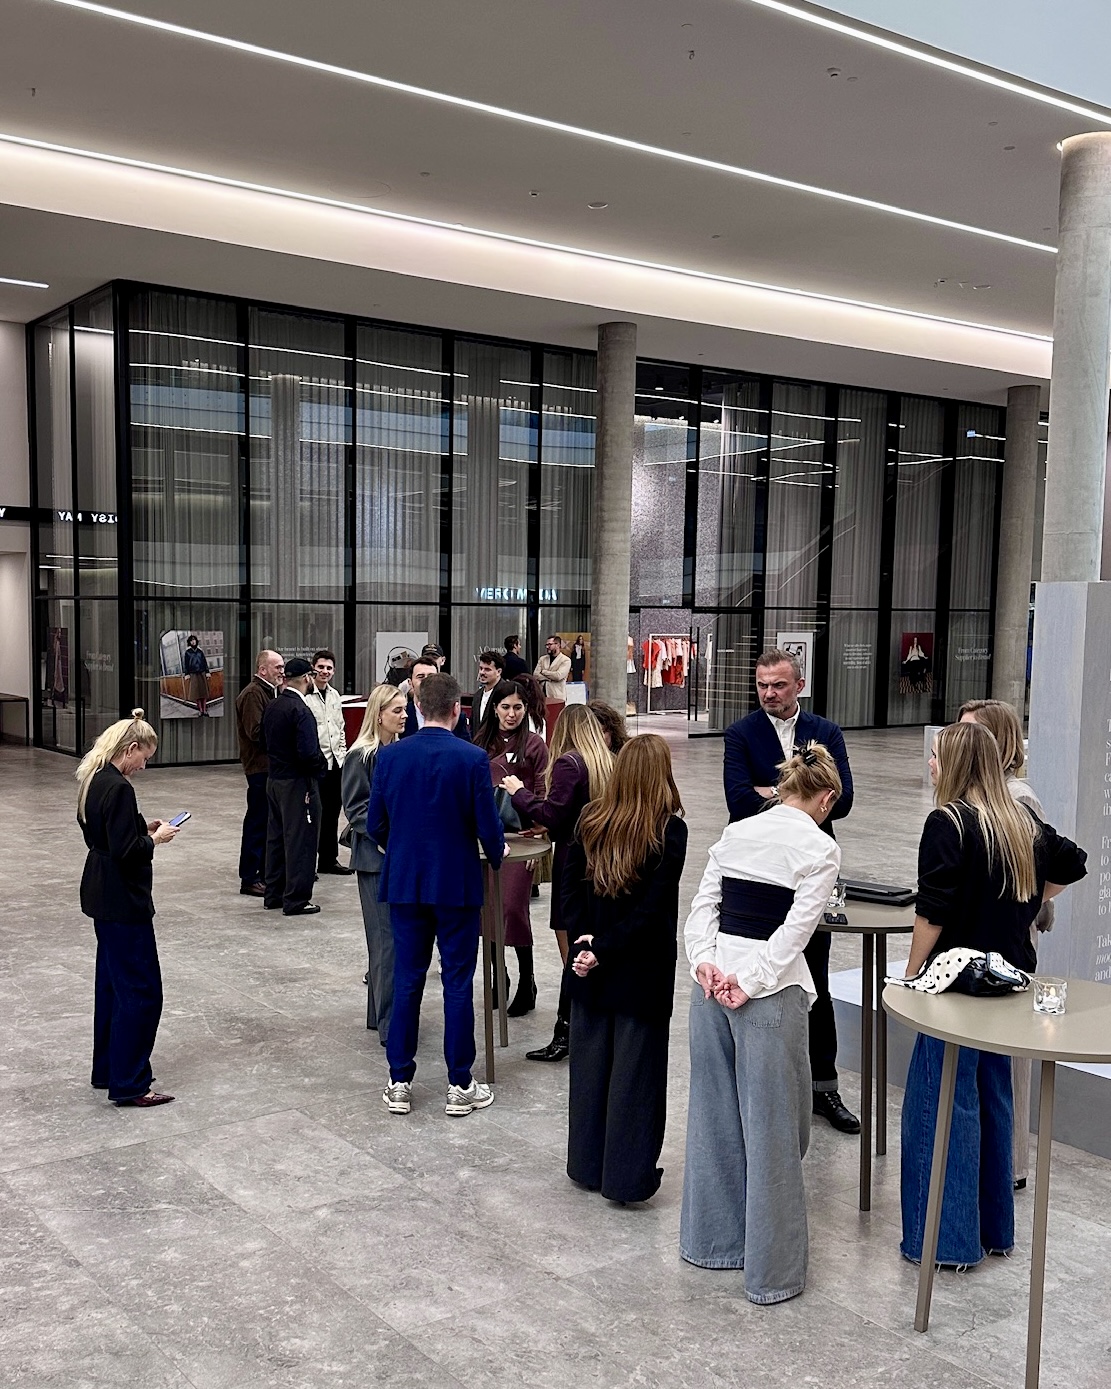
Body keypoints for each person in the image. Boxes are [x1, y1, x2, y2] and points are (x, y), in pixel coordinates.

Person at [900, 721, 1086, 1269]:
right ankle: (993, 1230)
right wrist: (1028, 900)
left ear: (956, 764)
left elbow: (933, 911)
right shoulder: (1019, 821)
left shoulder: (948, 822)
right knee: (993, 1101)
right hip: (1009, 983)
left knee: (941, 1108)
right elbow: (1073, 862)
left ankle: (945, 1242)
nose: (931, 763)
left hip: (956, 986)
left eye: (937, 755)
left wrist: (911, 973)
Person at [680, 743, 844, 1305]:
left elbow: (702, 909)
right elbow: (795, 933)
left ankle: (711, 1242)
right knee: (775, 1130)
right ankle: (772, 1275)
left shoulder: (736, 832)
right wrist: (748, 981)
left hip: (710, 987)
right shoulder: (821, 849)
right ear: (825, 799)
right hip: (767, 996)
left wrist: (705, 964)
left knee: (712, 1118)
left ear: (782, 789)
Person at [722, 647, 858, 1135]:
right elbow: (737, 800)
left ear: (799, 685)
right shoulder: (741, 733)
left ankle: (824, 1086)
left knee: (814, 976)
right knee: (754, 971)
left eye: (778, 685)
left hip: (810, 868)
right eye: (762, 685)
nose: (769, 694)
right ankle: (762, 1083)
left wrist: (771, 792)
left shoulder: (826, 732)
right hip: (757, 874)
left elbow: (843, 801)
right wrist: (801, 796)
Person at [368, 673, 506, 1117]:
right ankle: (459, 1084)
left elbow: (374, 825)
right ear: (457, 710)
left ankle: (399, 1082)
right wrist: (497, 852)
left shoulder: (390, 757)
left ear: (417, 708)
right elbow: (487, 825)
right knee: (457, 982)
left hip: (405, 883)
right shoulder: (472, 758)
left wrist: (403, 849)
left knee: (407, 980)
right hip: (456, 883)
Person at [564, 735, 687, 1202]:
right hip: (640, 970)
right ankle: (627, 1177)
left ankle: (586, 1164)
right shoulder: (669, 832)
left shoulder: (589, 820)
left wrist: (585, 943)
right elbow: (652, 912)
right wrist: (605, 948)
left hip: (588, 965)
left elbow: (568, 892)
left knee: (590, 1072)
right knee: (636, 1078)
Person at [958, 698, 1052, 1191]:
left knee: (1010, 1062)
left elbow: (1048, 868)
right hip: (982, 942)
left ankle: (1011, 1164)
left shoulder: (1018, 797)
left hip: (1009, 943)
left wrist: (1025, 905)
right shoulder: (980, 795)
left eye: (973, 732)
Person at [76, 709, 181, 1107]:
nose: (143, 766)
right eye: (144, 757)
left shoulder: (94, 778)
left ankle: (108, 1069)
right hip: (123, 898)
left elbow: (104, 834)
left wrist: (141, 828)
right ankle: (131, 1082)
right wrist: (156, 840)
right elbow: (127, 851)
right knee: (141, 990)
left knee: (111, 986)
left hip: (100, 890)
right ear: (130, 748)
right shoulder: (120, 787)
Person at [504, 703, 613, 1061]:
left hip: (573, 867)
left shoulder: (569, 763)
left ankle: (564, 1035)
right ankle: (586, 1030)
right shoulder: (605, 763)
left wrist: (519, 792)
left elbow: (554, 812)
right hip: (600, 865)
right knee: (590, 949)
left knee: (573, 954)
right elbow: (575, 814)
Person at [473, 679, 549, 1015]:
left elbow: (544, 793)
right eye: (505, 707)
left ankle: (527, 979)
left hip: (522, 839)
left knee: (513, 909)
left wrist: (539, 839)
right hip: (485, 841)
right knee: (487, 910)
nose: (511, 713)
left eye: (518, 707)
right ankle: (498, 976)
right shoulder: (480, 743)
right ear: (495, 708)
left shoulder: (534, 745)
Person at [342, 684, 408, 1040]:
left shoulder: (393, 751)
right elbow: (357, 810)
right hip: (375, 861)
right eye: (397, 710)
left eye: (405, 709)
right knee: (386, 943)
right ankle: (389, 1025)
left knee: (390, 942)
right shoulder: (362, 755)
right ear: (378, 714)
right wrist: (389, 839)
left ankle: (380, 1016)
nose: (404, 715)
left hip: (394, 858)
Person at [260, 658, 327, 916]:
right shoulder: (301, 710)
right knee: (301, 840)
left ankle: (274, 894)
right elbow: (308, 753)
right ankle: (297, 899)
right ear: (307, 678)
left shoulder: (273, 705)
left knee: (276, 839)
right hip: (298, 783)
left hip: (274, 779)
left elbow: (262, 741)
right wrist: (320, 770)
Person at [234, 649, 284, 896]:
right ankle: (250, 876)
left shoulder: (270, 692)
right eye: (277, 667)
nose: (282, 672)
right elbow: (255, 732)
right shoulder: (254, 694)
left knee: (266, 822)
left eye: (282, 667)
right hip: (259, 767)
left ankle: (263, 873)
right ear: (263, 670)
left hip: (268, 766)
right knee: (257, 821)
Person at [307, 648, 353, 876]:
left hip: (336, 763)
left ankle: (328, 860)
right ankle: (308, 864)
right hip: (316, 763)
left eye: (329, 668)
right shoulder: (306, 696)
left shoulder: (334, 695)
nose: (325, 671)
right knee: (313, 816)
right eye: (321, 667)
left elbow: (340, 727)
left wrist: (342, 753)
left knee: (332, 813)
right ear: (313, 668)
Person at [402, 657, 471, 740]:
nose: (426, 681)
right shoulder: (402, 715)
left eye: (431, 677)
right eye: (421, 677)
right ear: (410, 683)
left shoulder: (455, 715)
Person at [472, 649, 506, 729]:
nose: (482, 672)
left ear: (498, 672)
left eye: (487, 669)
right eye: (481, 668)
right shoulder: (477, 696)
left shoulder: (506, 693)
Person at [534, 634, 572, 703]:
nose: (547, 647)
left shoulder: (565, 660)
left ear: (558, 645)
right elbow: (536, 675)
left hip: (557, 696)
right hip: (542, 696)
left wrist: (544, 672)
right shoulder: (542, 659)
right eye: (546, 645)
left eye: (550, 644)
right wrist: (550, 678)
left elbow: (558, 676)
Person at [182, 634, 211, 717]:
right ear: (189, 642)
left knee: (203, 692)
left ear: (196, 641)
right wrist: (187, 674)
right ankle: (200, 710)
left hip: (202, 673)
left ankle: (204, 710)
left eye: (194, 640)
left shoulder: (200, 651)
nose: (193, 641)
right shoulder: (188, 652)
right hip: (193, 674)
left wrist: (207, 672)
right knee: (196, 693)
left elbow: (204, 662)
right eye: (191, 640)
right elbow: (186, 664)